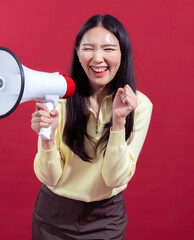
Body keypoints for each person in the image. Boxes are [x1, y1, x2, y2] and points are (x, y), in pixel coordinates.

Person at [30, 14, 153, 240]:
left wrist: (118, 122)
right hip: (53, 215)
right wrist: (46, 139)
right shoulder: (58, 100)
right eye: (88, 48)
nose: (98, 58)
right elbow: (51, 178)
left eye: (108, 49)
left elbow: (114, 179)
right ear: (77, 53)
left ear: (122, 54)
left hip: (105, 217)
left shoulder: (140, 105)